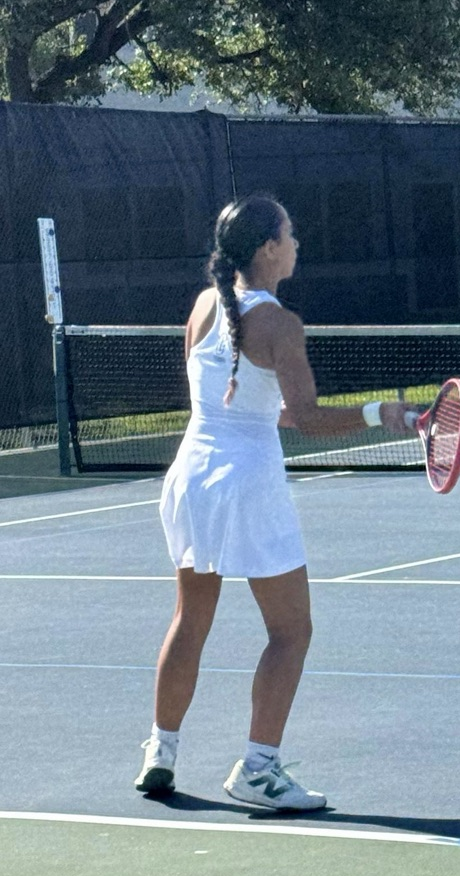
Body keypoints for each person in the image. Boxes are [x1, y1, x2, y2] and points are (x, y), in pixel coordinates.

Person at [135, 194, 416, 810]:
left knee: (191, 619)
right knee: (291, 630)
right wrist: (381, 413)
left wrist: (376, 413)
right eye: (290, 234)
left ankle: (161, 750)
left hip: (190, 477)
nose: (297, 243)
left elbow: (254, 407)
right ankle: (258, 769)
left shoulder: (206, 304)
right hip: (246, 484)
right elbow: (308, 418)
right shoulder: (280, 325)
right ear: (267, 248)